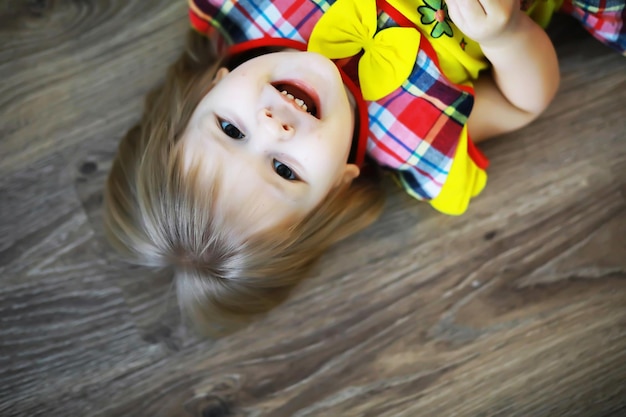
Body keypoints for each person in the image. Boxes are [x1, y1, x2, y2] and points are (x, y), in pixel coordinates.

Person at [103, 0, 625, 327]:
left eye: (231, 129)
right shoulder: (413, 135)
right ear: (336, 189)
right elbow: (520, 104)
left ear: (207, 89)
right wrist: (505, 35)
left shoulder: (253, 6)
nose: (272, 126)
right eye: (284, 170)